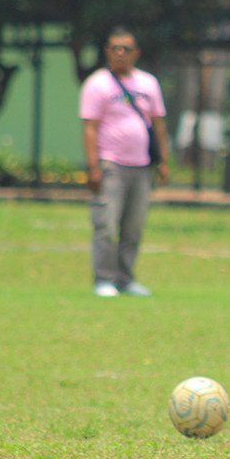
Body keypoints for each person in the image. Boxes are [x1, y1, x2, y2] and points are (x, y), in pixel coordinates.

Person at [80, 26, 169, 297]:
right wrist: (93, 166)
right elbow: (90, 128)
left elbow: (158, 123)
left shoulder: (148, 83)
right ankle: (103, 279)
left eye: (126, 49)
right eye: (114, 48)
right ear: (107, 51)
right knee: (106, 224)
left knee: (133, 226)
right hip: (111, 164)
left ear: (136, 53)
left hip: (141, 166)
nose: (120, 53)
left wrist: (163, 161)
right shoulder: (97, 84)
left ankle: (125, 278)